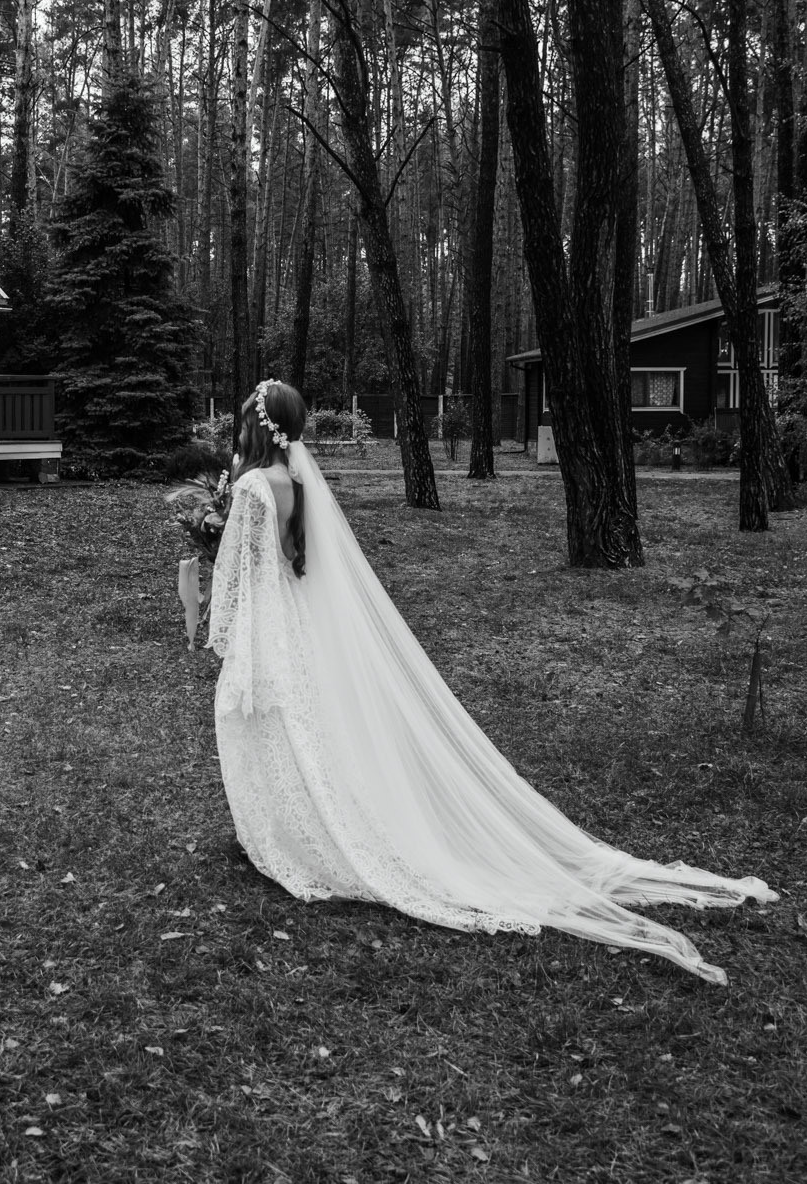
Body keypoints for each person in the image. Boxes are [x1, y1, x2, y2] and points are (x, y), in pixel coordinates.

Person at [206, 379, 775, 984]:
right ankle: (303, 826)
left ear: (260, 426)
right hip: (297, 620)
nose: (238, 430)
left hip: (272, 623)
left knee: (270, 721)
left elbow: (240, 570)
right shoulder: (296, 482)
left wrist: (211, 571)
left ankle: (293, 837)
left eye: (244, 420)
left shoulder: (250, 486)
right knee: (298, 724)